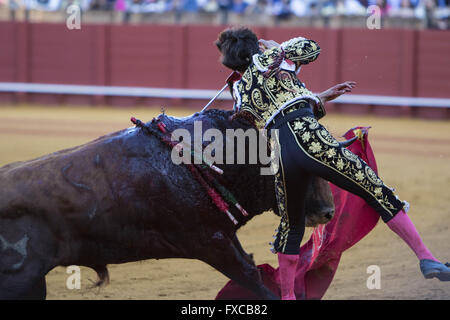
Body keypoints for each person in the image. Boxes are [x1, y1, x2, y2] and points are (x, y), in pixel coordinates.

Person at [215, 27, 450, 300]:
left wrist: (319, 97)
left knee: (291, 226)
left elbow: (263, 115)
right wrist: (276, 47)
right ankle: (426, 258)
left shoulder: (241, 89)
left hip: (280, 153)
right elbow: (311, 48)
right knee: (374, 189)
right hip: (311, 140)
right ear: (256, 46)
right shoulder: (277, 56)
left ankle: (289, 297)